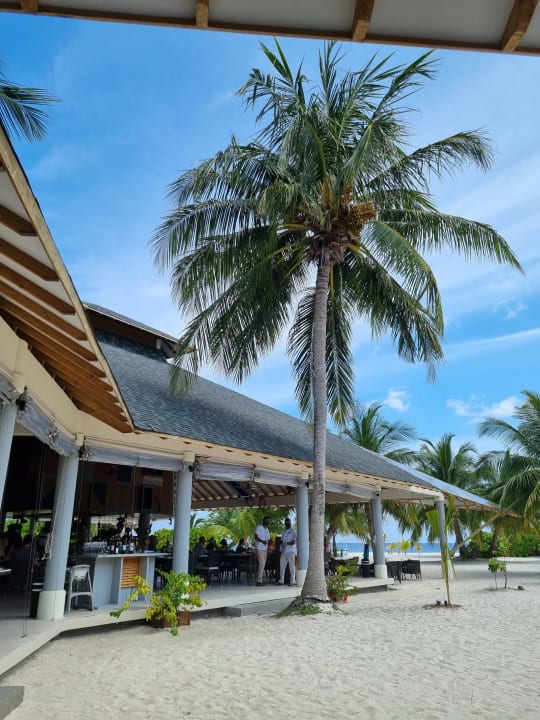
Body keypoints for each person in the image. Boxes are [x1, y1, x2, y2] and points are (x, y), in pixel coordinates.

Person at [278, 517, 297, 586]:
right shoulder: (283, 532)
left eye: (288, 522)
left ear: (290, 523)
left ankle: (293, 581)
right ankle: (281, 581)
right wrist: (281, 543)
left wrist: (287, 543)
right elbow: (281, 540)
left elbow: (294, 541)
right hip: (283, 551)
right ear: (285, 523)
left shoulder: (293, 531)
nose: (287, 523)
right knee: (282, 566)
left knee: (292, 567)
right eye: (286, 522)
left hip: (291, 551)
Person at [254, 516, 271, 586]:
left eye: (269, 521)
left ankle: (260, 579)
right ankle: (259, 581)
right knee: (262, 563)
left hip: (265, 549)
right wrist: (262, 541)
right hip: (259, 548)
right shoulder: (259, 527)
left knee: (263, 564)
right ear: (263, 521)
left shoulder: (267, 530)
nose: (268, 522)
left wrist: (270, 543)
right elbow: (255, 537)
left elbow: (268, 539)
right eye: (266, 520)